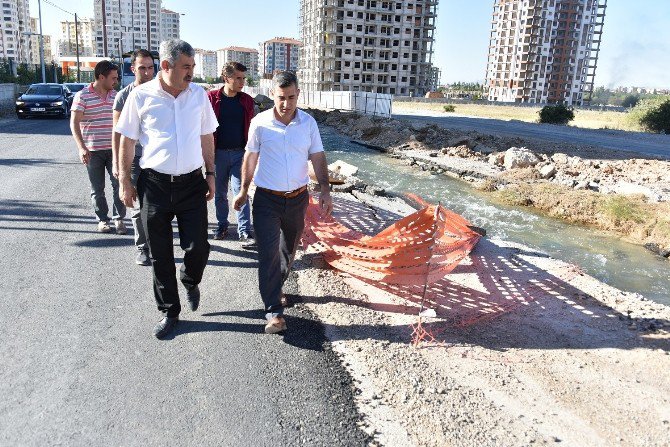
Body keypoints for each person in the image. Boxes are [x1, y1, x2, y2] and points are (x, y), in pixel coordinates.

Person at [116, 39, 219, 339]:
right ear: (166, 66)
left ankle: (190, 278)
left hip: (191, 183)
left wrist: (210, 173)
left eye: (193, 66)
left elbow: (206, 135)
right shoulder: (141, 96)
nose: (192, 72)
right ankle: (169, 311)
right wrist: (125, 180)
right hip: (154, 185)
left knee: (199, 246)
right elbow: (127, 140)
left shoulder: (198, 95)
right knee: (159, 254)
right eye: (186, 67)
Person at [233, 71, 333, 334]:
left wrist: (325, 189)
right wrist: (243, 190)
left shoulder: (308, 123)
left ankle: (276, 287)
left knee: (288, 250)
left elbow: (318, 156)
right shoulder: (260, 123)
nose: (286, 103)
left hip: (298, 199)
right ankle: (274, 312)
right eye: (280, 98)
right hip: (266, 199)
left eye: (291, 97)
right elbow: (250, 158)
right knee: (268, 254)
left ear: (298, 94)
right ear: (273, 95)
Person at [70, 60, 126, 234]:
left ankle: (119, 220)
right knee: (97, 189)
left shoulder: (116, 96)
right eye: (113, 78)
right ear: (101, 77)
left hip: (114, 151)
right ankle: (102, 219)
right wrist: (81, 148)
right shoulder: (83, 96)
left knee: (119, 184)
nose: (116, 81)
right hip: (92, 151)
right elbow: (74, 123)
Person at [112, 49, 155, 266]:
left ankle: (158, 244)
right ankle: (142, 247)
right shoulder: (124, 96)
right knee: (138, 207)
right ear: (132, 69)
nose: (147, 72)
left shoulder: (162, 93)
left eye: (150, 67)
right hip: (135, 159)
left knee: (158, 207)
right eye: (142, 68)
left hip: (157, 159)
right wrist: (118, 164)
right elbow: (118, 134)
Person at [207, 62, 256, 248]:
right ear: (226, 78)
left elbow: (252, 128)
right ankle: (222, 226)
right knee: (219, 193)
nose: (242, 82)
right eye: (238, 78)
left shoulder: (247, 100)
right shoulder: (211, 98)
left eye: (244, 78)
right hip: (217, 154)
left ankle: (244, 231)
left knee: (240, 191)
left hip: (240, 154)